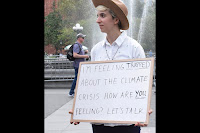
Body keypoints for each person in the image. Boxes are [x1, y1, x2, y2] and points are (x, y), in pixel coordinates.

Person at [69, 0, 153, 132]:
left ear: (116, 20)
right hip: (100, 122)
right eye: (97, 16)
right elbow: (93, 85)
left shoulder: (134, 48)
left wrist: (143, 110)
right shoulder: (96, 50)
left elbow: (141, 85)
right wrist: (80, 108)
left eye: (102, 15)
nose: (97, 20)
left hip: (127, 122)